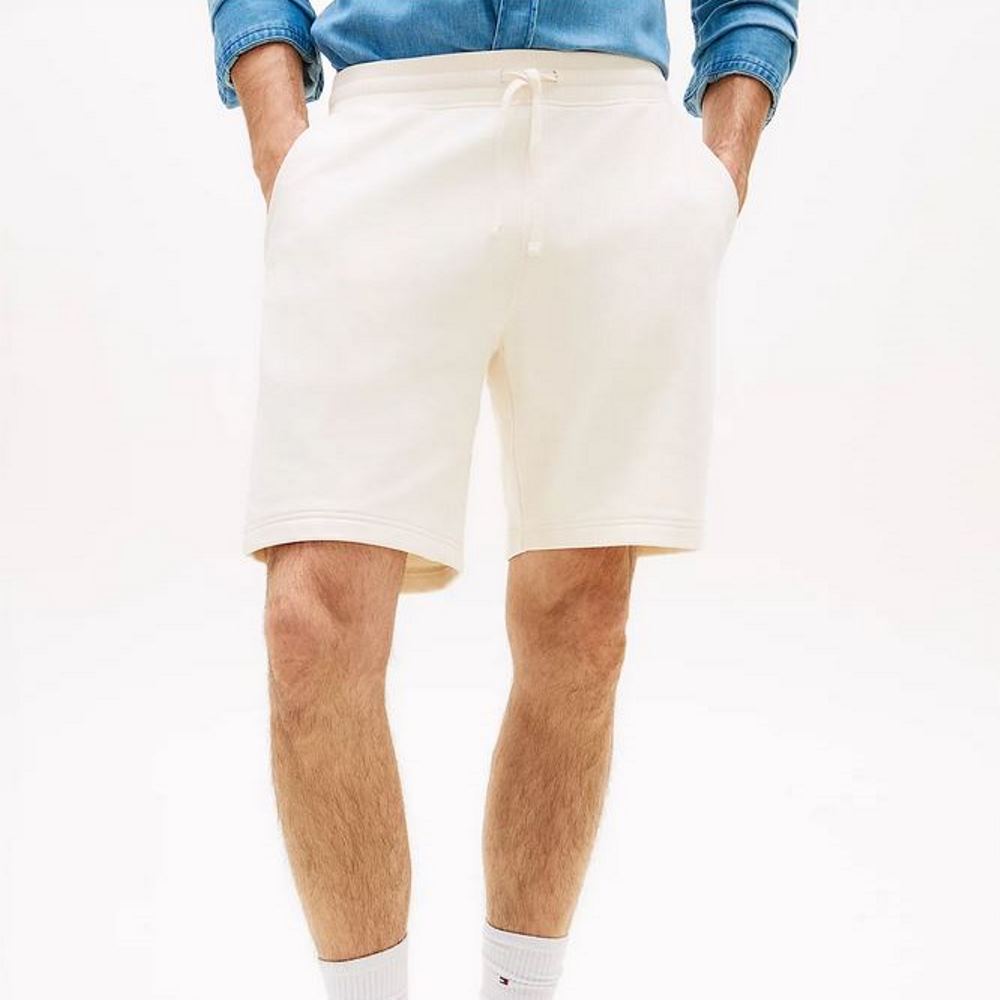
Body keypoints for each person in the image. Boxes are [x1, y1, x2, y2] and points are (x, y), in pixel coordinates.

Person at [206, 2, 799, 997]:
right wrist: (279, 137)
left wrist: (721, 168)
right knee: (311, 623)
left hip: (611, 140)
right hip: (387, 126)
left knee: (582, 624)